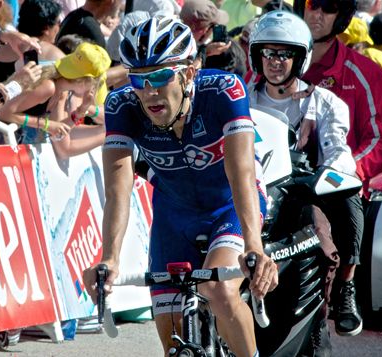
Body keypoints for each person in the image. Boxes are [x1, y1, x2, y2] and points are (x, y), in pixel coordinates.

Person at [81, 17, 278, 357]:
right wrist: (109, 258)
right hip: (174, 214)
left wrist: (254, 247)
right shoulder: (121, 104)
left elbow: (241, 173)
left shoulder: (224, 91)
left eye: (160, 76)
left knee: (217, 289)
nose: (149, 91)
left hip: (228, 205)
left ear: (188, 73)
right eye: (138, 79)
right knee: (173, 341)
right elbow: (118, 189)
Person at [247, 10, 358, 356]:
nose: (275, 61)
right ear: (256, 56)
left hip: (300, 192)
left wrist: (321, 176)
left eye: (285, 53)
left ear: (301, 57)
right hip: (248, 190)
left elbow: (339, 153)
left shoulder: (325, 102)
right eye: (268, 52)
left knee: (347, 200)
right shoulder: (238, 99)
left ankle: (345, 288)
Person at [296, 0, 382, 341]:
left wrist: (344, 173)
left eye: (330, 6)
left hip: (337, 188)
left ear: (343, 16)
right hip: (280, 185)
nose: (318, 14)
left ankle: (345, 288)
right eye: (311, 4)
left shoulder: (366, 73)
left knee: (339, 208)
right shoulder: (272, 63)